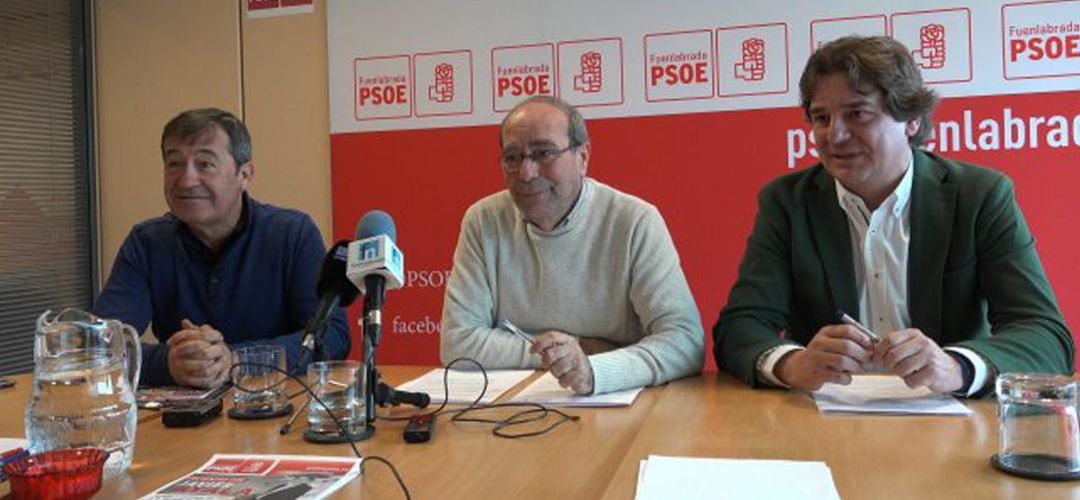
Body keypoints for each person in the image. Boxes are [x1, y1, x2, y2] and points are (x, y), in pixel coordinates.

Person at [713, 36, 1073, 397]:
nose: (834, 135)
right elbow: (741, 327)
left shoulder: (979, 195)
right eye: (821, 117)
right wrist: (793, 364)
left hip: (949, 424)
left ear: (911, 120)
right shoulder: (787, 202)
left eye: (857, 114)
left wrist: (957, 367)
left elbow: (1046, 335)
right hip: (825, 422)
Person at [440, 96, 704, 395]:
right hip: (519, 406)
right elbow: (457, 342)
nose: (527, 173)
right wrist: (574, 350)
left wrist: (594, 370)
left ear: (583, 158)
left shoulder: (635, 221)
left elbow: (685, 342)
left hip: (621, 405)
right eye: (513, 157)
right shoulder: (483, 220)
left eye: (544, 153)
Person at [94, 108, 349, 388]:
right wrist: (169, 362)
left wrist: (235, 360)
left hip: (274, 412)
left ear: (244, 175)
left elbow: (333, 336)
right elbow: (100, 346)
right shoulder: (147, 242)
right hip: (180, 422)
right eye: (174, 164)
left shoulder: (292, 233)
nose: (187, 179)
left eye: (205, 164)